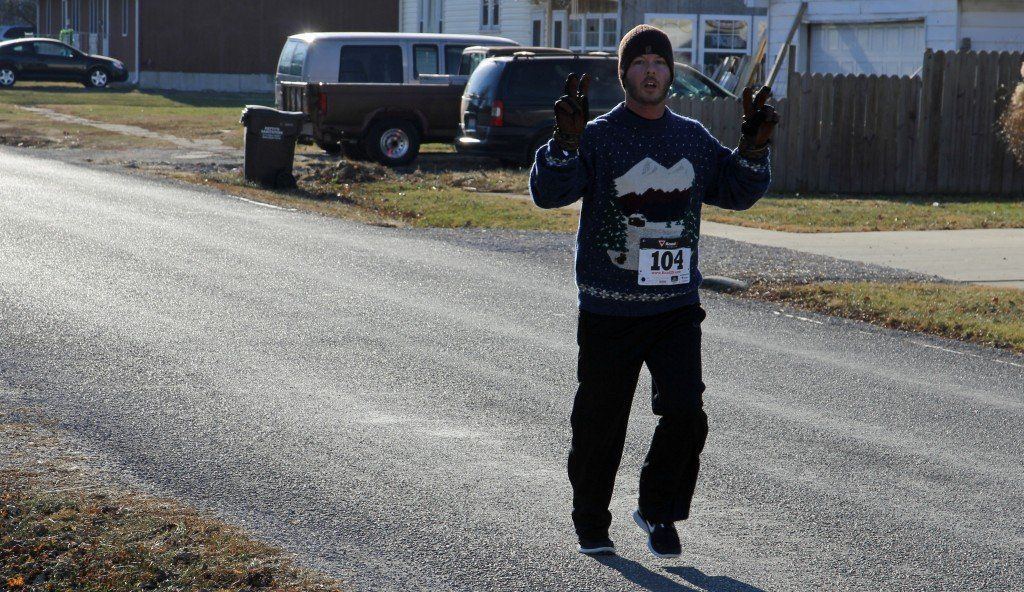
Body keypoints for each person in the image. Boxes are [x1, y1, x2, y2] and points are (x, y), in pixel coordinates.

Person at [529, 24, 778, 559]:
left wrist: (754, 148)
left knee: (686, 413)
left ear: (670, 74)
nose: (650, 71)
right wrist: (564, 144)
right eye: (639, 62)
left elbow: (736, 189)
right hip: (609, 308)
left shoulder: (690, 138)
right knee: (600, 422)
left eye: (659, 62)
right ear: (623, 74)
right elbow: (549, 194)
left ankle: (658, 510)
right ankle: (591, 520)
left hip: (675, 308)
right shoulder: (598, 136)